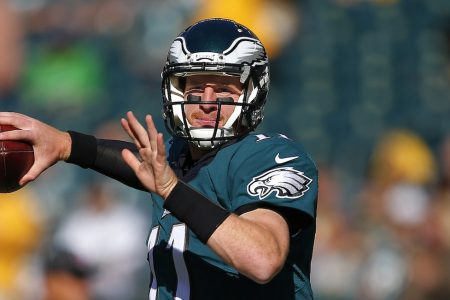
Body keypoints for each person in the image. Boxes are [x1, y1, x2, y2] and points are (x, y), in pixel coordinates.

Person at [0, 18, 318, 299]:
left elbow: (262, 259)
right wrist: (65, 144)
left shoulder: (269, 155)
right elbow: (135, 163)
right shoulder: (181, 156)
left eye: (223, 89)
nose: (206, 102)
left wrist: (171, 189)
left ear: (252, 91)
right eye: (194, 87)